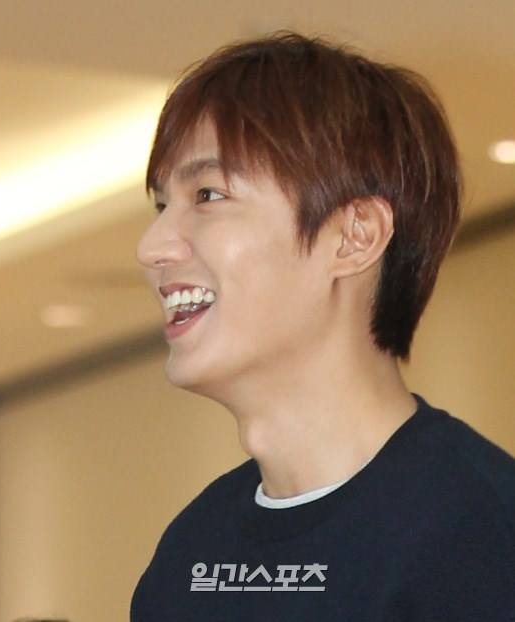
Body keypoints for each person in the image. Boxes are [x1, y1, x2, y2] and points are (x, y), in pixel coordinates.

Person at [132, 31, 515, 621]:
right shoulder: (189, 554)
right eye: (162, 206)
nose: (152, 247)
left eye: (207, 195)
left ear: (354, 236)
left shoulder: (478, 535)